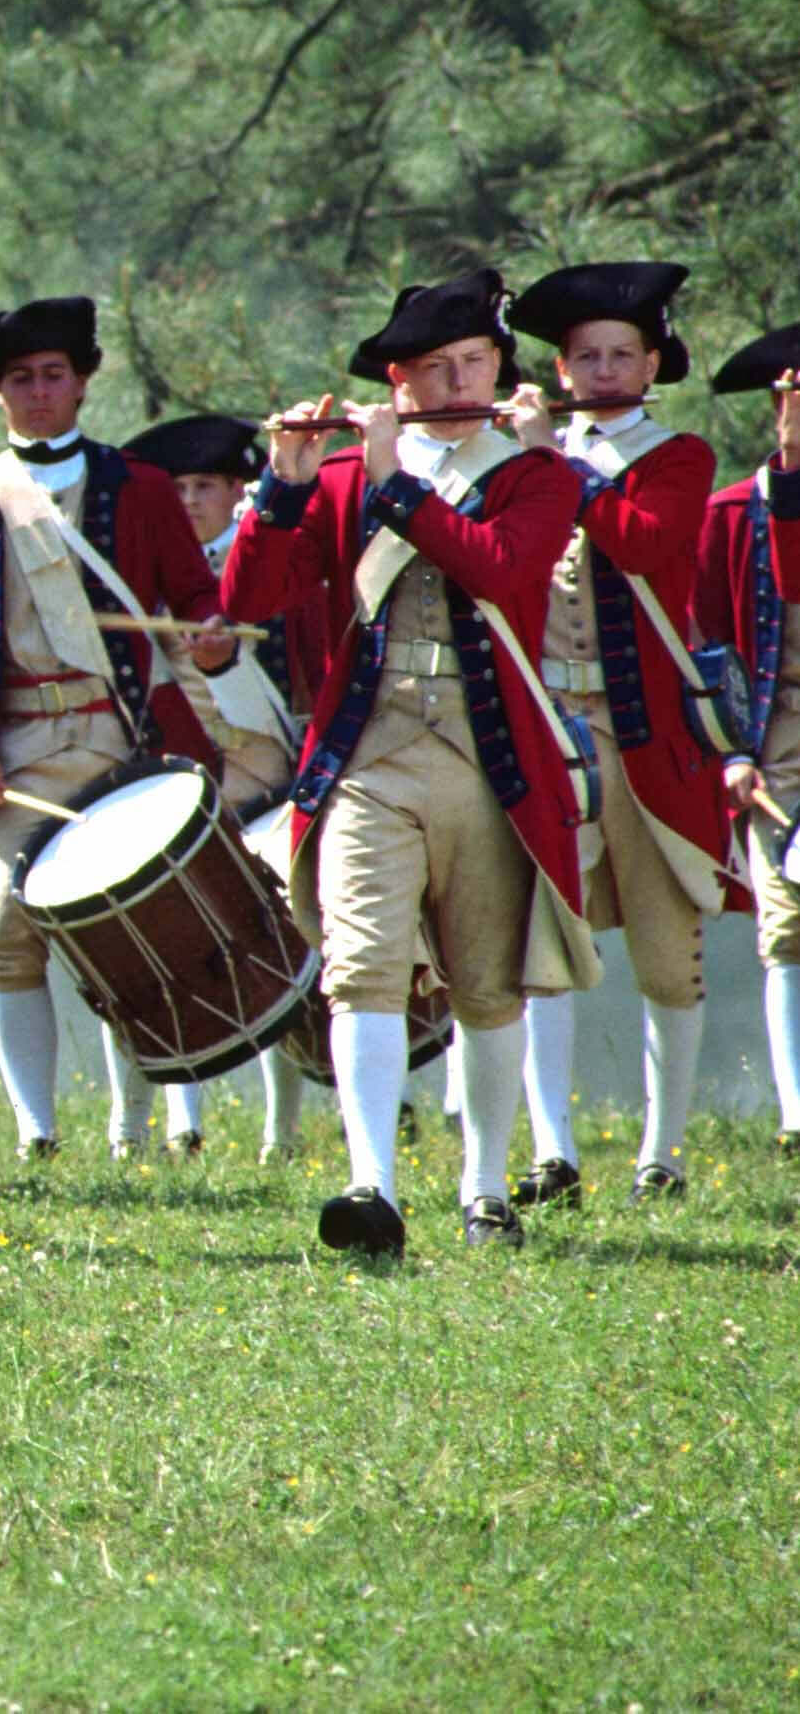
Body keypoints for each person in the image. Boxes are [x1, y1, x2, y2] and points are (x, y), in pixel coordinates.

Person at [225, 270, 597, 1255]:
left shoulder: (532, 474)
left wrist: (393, 482)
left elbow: (496, 568)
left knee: (485, 986)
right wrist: (285, 485)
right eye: (434, 368)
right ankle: (370, 1189)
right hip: (365, 761)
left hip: (489, 769)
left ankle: (482, 1189)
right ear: (396, 381)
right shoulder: (343, 478)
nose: (457, 381)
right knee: (360, 973)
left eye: (473, 362)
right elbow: (251, 597)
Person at [0, 296, 234, 1160]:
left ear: (84, 384)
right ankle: (37, 1132)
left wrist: (209, 629)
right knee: (4, 938)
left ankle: (134, 1125)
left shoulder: (141, 488)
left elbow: (195, 596)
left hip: (119, 742)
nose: (39, 392)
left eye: (54, 375)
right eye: (21, 379)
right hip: (9, 754)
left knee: (134, 935)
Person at [500, 264, 736, 1205]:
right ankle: (552, 1151)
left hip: (648, 740)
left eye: (621, 355)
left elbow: (638, 542)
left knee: (665, 951)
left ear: (652, 362)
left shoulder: (679, 456)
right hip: (555, 728)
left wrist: (547, 465)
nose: (604, 372)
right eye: (586, 357)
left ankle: (663, 1155)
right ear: (561, 368)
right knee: (546, 949)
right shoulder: (531, 452)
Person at [118, 412, 315, 1159]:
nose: (191, 501)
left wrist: (223, 664)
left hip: (260, 777)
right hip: (167, 778)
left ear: (239, 490)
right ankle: (169, 1124)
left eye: (206, 486)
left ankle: (281, 1133)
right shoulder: (141, 577)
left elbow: (285, 694)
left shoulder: (262, 566)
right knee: (153, 951)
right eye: (178, 489)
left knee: (276, 947)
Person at [695, 324, 800, 1162]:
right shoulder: (732, 514)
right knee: (788, 927)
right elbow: (711, 643)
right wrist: (732, 747)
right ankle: (798, 1112)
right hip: (781, 737)